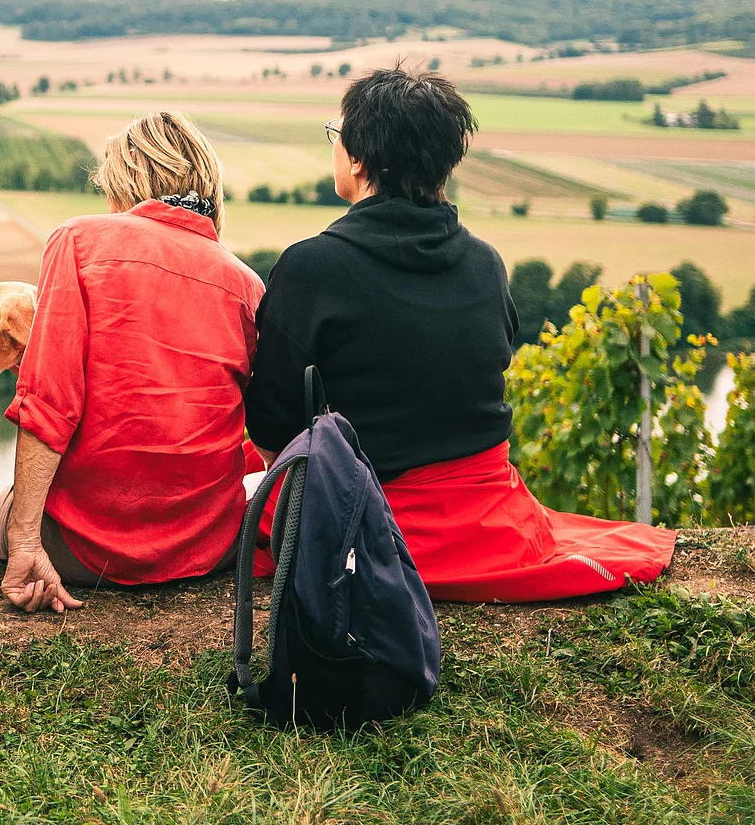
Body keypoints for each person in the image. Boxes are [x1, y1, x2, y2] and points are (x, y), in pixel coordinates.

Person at [245, 65, 674, 601]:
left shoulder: (310, 269)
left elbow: (270, 422)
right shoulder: (486, 263)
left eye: (338, 134)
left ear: (357, 158)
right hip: (491, 521)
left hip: (370, 522)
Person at [0, 110, 264, 614]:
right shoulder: (247, 284)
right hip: (210, 548)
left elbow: (50, 404)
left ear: (124, 183)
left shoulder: (77, 241)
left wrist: (24, 538)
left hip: (85, 552)